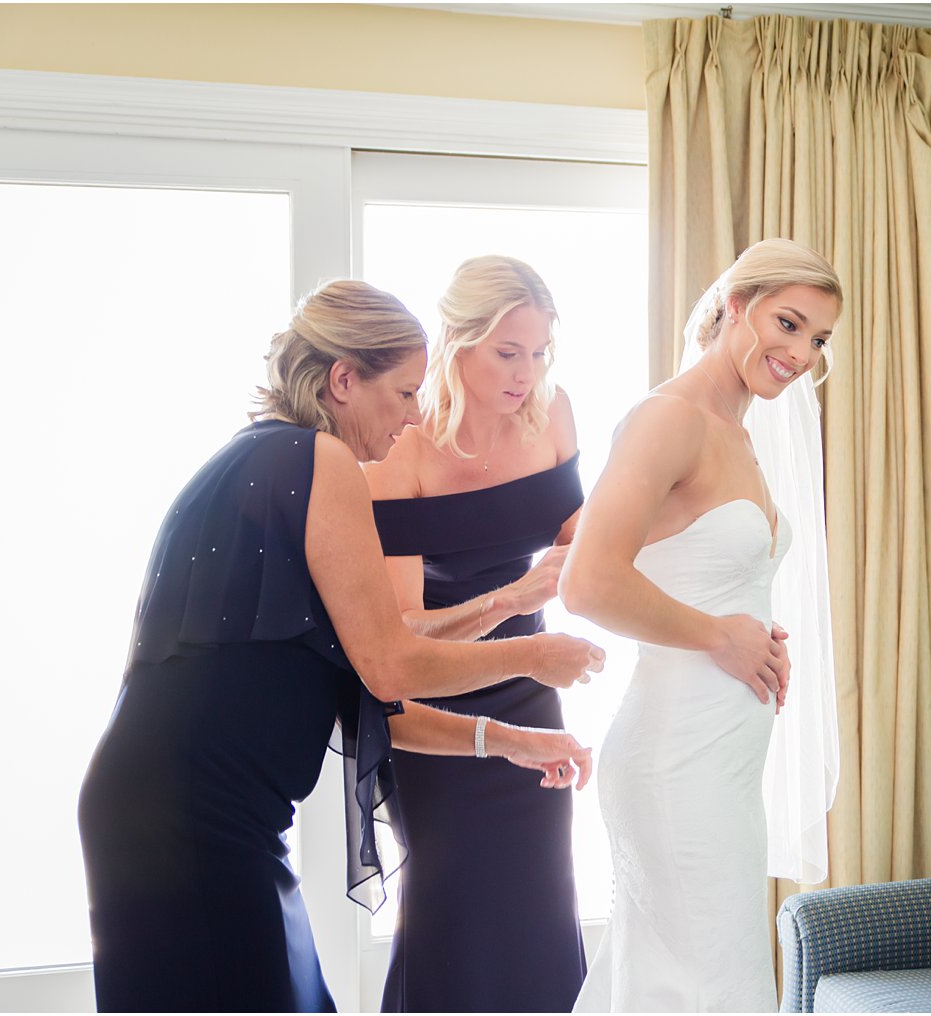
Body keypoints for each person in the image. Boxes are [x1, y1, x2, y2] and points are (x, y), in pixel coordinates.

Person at [76, 280, 604, 1013]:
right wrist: (529, 652)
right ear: (344, 380)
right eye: (402, 394)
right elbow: (393, 665)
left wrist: (510, 736)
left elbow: (372, 677)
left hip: (171, 804)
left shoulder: (264, 459)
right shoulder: (315, 459)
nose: (413, 415)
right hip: (194, 814)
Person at [562, 239, 842, 1012]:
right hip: (674, 762)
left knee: (686, 983)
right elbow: (588, 582)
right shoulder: (668, 418)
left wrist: (748, 630)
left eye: (818, 340)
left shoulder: (739, 432)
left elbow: (693, 569)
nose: (800, 353)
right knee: (715, 986)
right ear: (734, 305)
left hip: (722, 766)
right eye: (788, 324)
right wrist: (723, 635)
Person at [363, 255, 588, 1013]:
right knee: (447, 902)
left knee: (541, 894)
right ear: (456, 341)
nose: (526, 372)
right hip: (435, 705)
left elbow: (579, 542)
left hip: (533, 687)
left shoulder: (552, 413)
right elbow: (398, 634)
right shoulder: (402, 445)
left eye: (538, 352)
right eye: (507, 352)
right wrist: (517, 594)